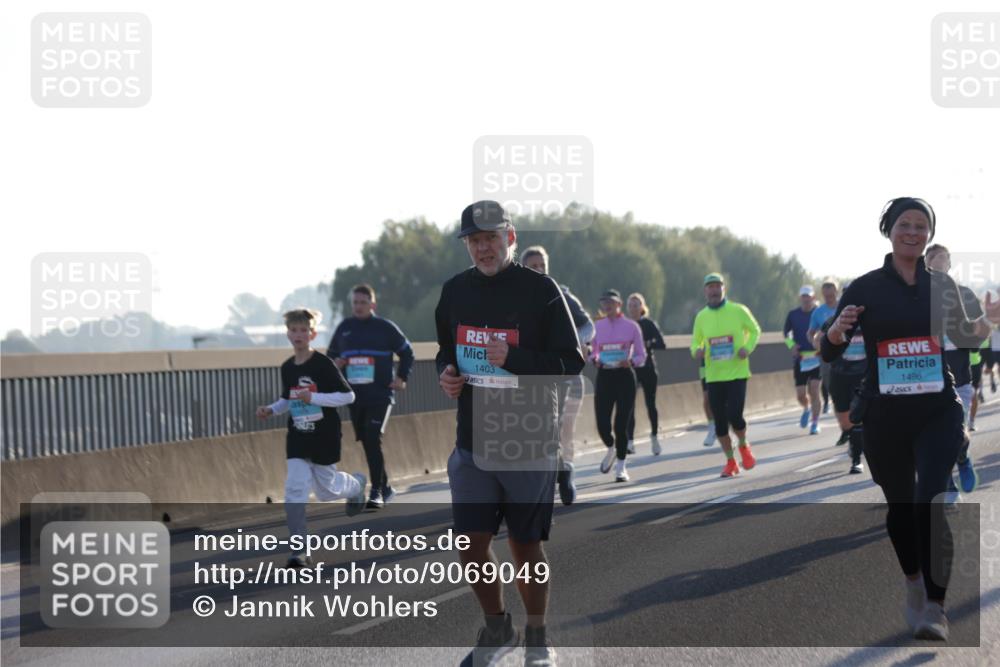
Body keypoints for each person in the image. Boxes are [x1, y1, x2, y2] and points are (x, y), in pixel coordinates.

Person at [822, 197, 999, 641]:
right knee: (902, 509)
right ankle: (914, 581)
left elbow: (966, 335)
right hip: (885, 413)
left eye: (922, 226)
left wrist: (987, 323)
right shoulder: (863, 288)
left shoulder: (944, 286)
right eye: (906, 224)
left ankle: (936, 607)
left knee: (931, 499)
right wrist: (837, 330)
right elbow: (830, 350)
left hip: (938, 407)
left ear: (929, 234)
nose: (914, 232)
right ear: (889, 229)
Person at [436, 201, 584, 666]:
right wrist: (447, 375)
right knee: (470, 543)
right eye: (474, 241)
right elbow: (447, 351)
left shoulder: (541, 290)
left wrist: (514, 359)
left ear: (510, 237)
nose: (483, 248)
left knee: (525, 547)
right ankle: (498, 625)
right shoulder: (454, 291)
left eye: (491, 238)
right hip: (473, 438)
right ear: (467, 245)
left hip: (527, 437)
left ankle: (538, 635)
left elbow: (572, 360)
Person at [256, 308, 367, 568]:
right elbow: (287, 399)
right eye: (293, 330)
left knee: (327, 491)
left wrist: (314, 398)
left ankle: (356, 485)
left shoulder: (323, 364)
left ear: (312, 334)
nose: (298, 335)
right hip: (297, 437)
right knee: (295, 489)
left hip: (324, 436)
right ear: (288, 334)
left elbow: (348, 396)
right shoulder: (287, 367)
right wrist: (271, 409)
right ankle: (299, 552)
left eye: (303, 330)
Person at [327, 284, 415, 509]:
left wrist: (402, 377)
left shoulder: (385, 328)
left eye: (363, 302)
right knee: (367, 440)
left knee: (372, 435)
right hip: (355, 397)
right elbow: (330, 358)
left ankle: (376, 492)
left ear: (372, 305)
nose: (358, 306)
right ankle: (385, 487)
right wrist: (336, 365)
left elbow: (407, 352)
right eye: (355, 302)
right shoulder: (344, 328)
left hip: (381, 395)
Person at [521, 245, 595, 506]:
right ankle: (553, 475)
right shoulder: (514, 298)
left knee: (564, 428)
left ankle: (567, 472)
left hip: (565, 374)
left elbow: (588, 326)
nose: (539, 270)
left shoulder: (561, 294)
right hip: (532, 376)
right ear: (522, 268)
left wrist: (577, 344)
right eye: (533, 266)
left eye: (542, 266)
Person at [925, 244, 983, 500]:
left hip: (959, 376)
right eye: (931, 259)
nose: (937, 263)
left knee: (956, 433)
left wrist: (990, 320)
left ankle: (963, 455)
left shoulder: (966, 295)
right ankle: (947, 483)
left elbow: (979, 333)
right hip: (926, 380)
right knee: (935, 437)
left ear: (949, 264)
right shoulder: (917, 296)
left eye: (942, 259)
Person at [691, 273, 762, 477]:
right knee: (720, 423)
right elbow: (695, 342)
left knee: (735, 416)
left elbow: (755, 330)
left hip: (737, 373)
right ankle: (731, 461)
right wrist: (696, 351)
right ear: (705, 291)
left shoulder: (738, 310)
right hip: (714, 376)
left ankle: (743, 444)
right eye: (710, 287)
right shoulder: (701, 316)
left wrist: (747, 348)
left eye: (717, 287)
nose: (714, 290)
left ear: (724, 289)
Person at [591, 289, 646, 482]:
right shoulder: (597, 326)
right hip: (605, 376)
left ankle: (621, 468)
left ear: (619, 304)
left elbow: (642, 355)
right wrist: (595, 359)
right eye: (603, 302)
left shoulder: (631, 327)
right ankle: (611, 446)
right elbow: (593, 351)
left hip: (624, 377)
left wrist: (630, 362)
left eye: (610, 302)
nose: (607, 306)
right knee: (602, 424)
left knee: (621, 424)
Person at [815, 311, 867, 474]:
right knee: (845, 422)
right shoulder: (833, 321)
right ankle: (851, 437)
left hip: (862, 373)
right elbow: (819, 339)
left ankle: (856, 459)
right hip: (839, 374)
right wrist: (820, 346)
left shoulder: (869, 319)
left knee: (857, 416)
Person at [625, 293, 666, 456]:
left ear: (642, 307)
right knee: (629, 406)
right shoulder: (626, 325)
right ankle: (630, 441)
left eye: (636, 305)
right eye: (630, 305)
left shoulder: (648, 324)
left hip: (648, 369)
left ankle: (655, 436)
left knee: (651, 404)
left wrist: (647, 343)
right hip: (631, 369)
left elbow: (662, 344)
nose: (633, 308)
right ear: (627, 308)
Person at [784, 285, 823, 435]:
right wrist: (791, 345)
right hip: (800, 358)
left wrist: (822, 345)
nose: (806, 299)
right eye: (804, 296)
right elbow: (786, 334)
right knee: (801, 394)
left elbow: (826, 329)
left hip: (817, 356)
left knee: (814, 389)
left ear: (813, 298)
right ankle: (806, 408)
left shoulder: (818, 313)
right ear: (800, 298)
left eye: (809, 296)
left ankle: (815, 423)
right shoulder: (793, 314)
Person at [810, 280, 841, 427]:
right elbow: (810, 333)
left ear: (836, 292)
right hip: (826, 353)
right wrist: (815, 343)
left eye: (831, 295)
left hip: (845, 352)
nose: (829, 298)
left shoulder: (844, 306)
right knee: (829, 382)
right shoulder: (818, 312)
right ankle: (833, 400)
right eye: (826, 295)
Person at [700, 358, 716, 447]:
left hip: (726, 364)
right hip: (705, 366)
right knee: (707, 399)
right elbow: (696, 345)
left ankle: (728, 431)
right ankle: (712, 428)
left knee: (726, 399)